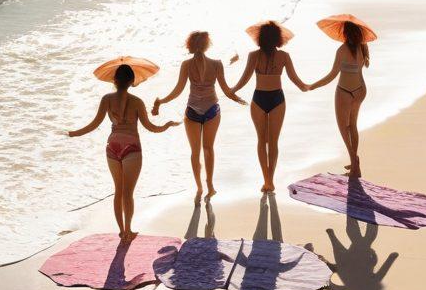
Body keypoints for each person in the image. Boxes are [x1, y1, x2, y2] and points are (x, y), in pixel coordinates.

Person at [67, 64, 179, 240]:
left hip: (112, 146)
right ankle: (129, 230)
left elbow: (94, 124)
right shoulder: (137, 102)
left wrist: (73, 133)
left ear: (114, 80)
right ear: (132, 81)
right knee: (128, 193)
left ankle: (121, 231)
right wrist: (166, 125)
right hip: (131, 148)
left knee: (118, 191)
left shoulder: (106, 99)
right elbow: (150, 127)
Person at [152, 31, 245, 198]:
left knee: (195, 152)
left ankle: (199, 187)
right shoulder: (217, 64)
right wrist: (237, 98)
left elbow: (178, 90)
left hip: (193, 110)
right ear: (207, 44)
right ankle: (210, 185)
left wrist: (161, 101)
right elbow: (225, 89)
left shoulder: (186, 65)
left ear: (190, 45)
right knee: (208, 148)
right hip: (212, 110)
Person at [232, 21, 309, 193]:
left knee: (264, 141)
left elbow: (243, 80)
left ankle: (268, 180)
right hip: (274, 99)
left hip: (262, 98)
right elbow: (298, 82)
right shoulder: (269, 56)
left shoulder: (277, 56)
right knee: (270, 142)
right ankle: (268, 180)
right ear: (277, 38)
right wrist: (307, 86)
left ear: (260, 38)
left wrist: (231, 91)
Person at [308, 20, 370, 178]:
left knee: (344, 129)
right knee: (353, 126)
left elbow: (331, 76)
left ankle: (355, 164)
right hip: (360, 90)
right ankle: (354, 161)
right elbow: (364, 67)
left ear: (345, 33)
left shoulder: (342, 50)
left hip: (344, 92)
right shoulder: (363, 47)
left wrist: (312, 86)